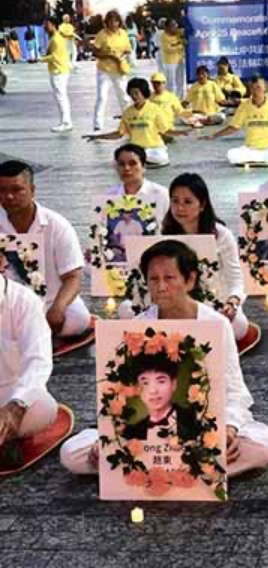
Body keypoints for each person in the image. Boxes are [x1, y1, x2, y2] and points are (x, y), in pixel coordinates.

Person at [60, 240, 268, 477]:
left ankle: (157, 469)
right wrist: (108, 436)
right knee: (73, 454)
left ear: (190, 280)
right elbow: (119, 394)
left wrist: (230, 428)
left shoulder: (216, 324)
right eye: (154, 279)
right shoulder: (136, 328)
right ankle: (193, 469)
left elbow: (235, 389)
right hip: (148, 431)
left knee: (265, 446)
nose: (161, 287)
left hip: (202, 428)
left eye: (170, 278)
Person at [0, 161, 91, 338]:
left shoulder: (57, 226)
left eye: (17, 189)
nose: (9, 196)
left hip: (50, 302)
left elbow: (73, 277)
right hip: (6, 303)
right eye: (2, 190)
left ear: (32, 190)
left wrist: (58, 308)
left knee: (78, 319)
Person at [161, 174, 250, 340]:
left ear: (202, 205)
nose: (180, 208)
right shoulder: (163, 234)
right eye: (175, 201)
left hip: (216, 302)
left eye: (187, 202)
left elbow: (236, 278)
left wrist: (232, 302)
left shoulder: (221, 234)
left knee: (239, 326)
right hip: (177, 301)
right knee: (127, 309)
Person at [0, 274, 59, 453]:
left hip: (10, 394)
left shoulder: (24, 302)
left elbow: (38, 361)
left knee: (44, 407)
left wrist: (15, 407)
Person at [84, 77, 187, 167]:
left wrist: (181, 132)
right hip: (136, 150)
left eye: (136, 93)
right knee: (118, 160)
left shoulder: (155, 109)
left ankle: (139, 162)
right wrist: (98, 137)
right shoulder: (128, 112)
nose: (134, 96)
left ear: (143, 93)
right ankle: (139, 162)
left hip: (155, 150)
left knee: (160, 159)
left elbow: (165, 130)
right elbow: (119, 134)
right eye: (131, 93)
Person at [200, 76, 268, 166]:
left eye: (258, 87)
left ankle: (262, 160)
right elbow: (233, 127)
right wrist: (213, 135)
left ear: (264, 87)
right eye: (252, 88)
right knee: (231, 154)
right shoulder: (244, 106)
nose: (255, 91)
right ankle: (264, 161)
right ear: (249, 89)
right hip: (251, 149)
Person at [91, 10, 132, 132]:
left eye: (116, 21)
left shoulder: (123, 34)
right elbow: (95, 52)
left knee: (124, 96)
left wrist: (121, 57)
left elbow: (127, 49)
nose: (113, 24)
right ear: (106, 22)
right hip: (104, 69)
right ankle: (98, 124)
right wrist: (108, 55)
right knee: (102, 96)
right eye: (110, 22)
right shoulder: (102, 34)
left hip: (119, 69)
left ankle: (129, 120)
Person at [105, 144, 170, 216]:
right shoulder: (109, 195)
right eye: (122, 164)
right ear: (116, 167)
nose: (127, 168)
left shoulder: (161, 194)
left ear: (143, 167)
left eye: (132, 163)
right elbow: (98, 225)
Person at [41, 17, 73, 133]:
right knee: (61, 96)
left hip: (58, 70)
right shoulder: (54, 38)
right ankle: (66, 121)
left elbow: (54, 56)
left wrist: (40, 59)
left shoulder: (56, 39)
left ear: (53, 25)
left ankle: (66, 122)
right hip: (58, 69)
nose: (44, 27)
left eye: (47, 25)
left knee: (61, 97)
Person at [160, 19, 186, 99]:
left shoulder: (178, 33)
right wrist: (180, 45)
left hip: (180, 60)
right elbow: (168, 49)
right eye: (173, 26)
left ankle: (180, 98)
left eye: (176, 25)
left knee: (180, 81)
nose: (175, 27)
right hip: (170, 62)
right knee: (171, 82)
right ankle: (170, 99)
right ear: (167, 27)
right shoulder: (164, 36)